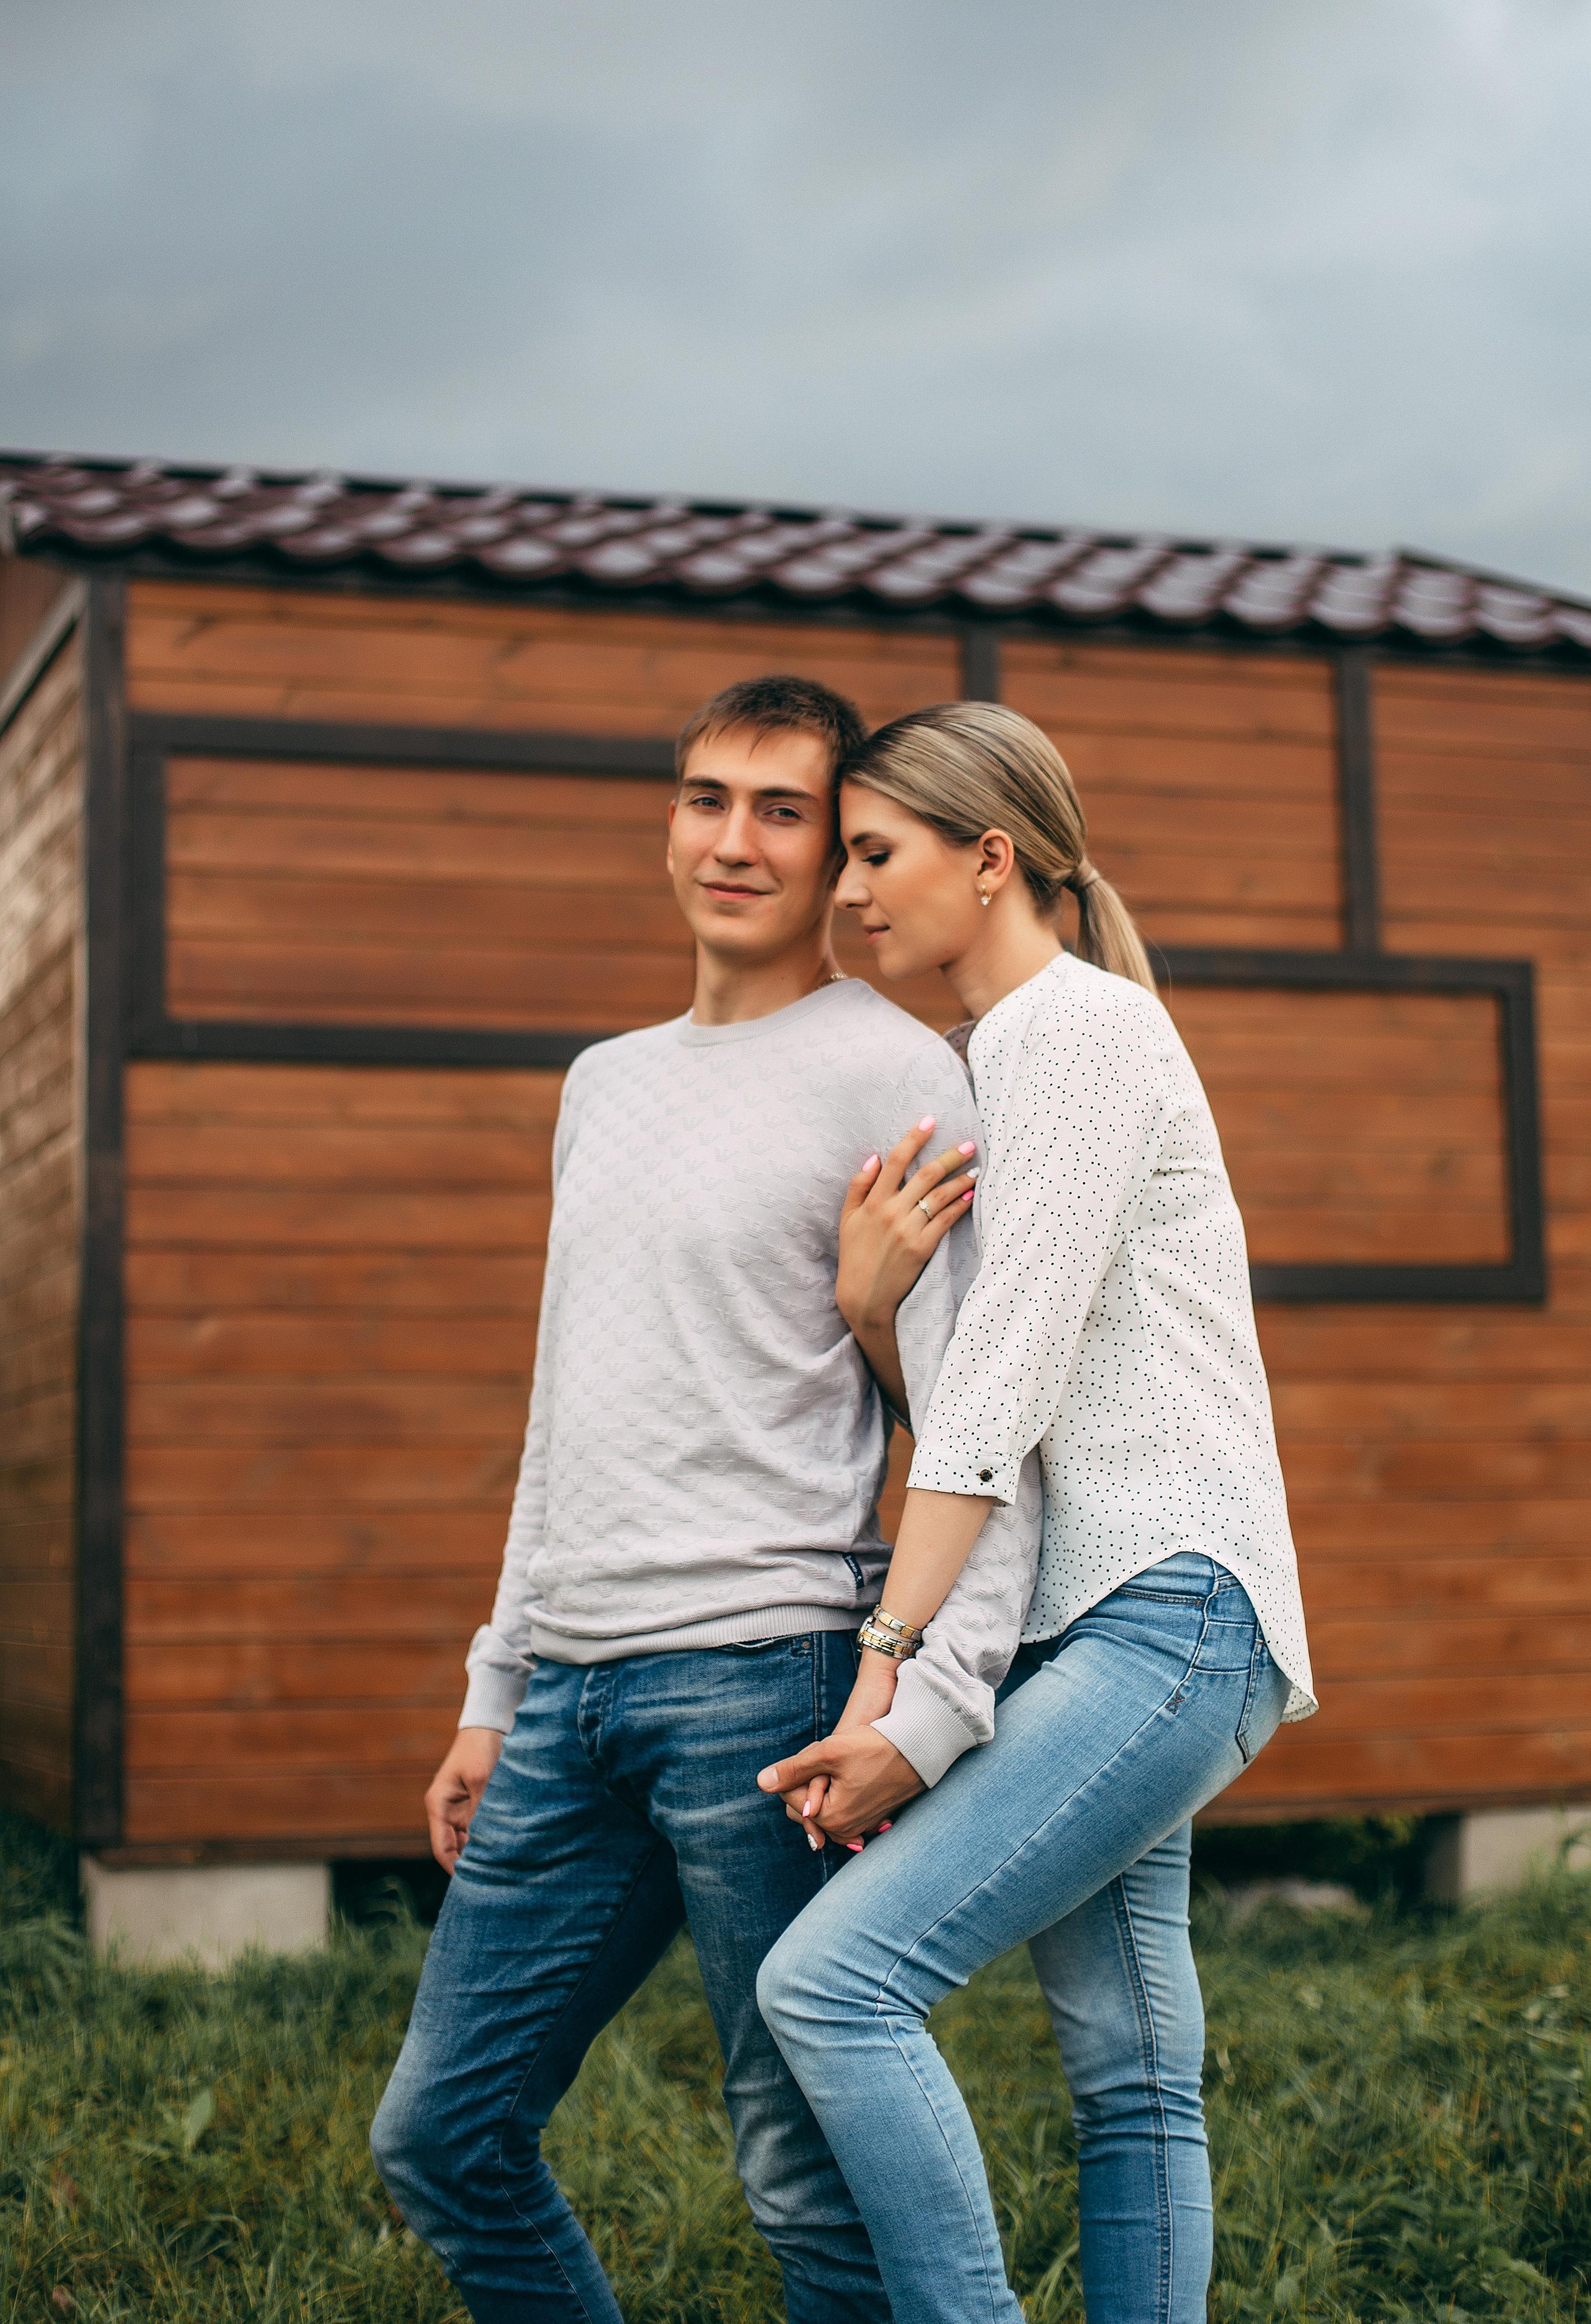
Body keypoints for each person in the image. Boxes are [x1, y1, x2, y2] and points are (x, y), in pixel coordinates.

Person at [369, 676, 1040, 2324]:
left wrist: (936, 1700)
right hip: (569, 1696)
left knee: (802, 2170)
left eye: (781, 810)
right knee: (441, 2131)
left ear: (838, 861)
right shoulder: (604, 1081)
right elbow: (565, 1400)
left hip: (764, 1678)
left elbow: (979, 1423)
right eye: (703, 798)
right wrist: (493, 1684)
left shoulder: (899, 1074)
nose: (731, 839)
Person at [755, 701, 1318, 2324]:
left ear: (988, 856)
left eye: (876, 851)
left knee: (837, 1979)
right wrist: (874, 1309)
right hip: (1099, 1629)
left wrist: (886, 1678)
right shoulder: (986, 1063)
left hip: (1168, 1607)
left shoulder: (1076, 1032)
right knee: (1135, 2070)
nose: (848, 892)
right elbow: (973, 1399)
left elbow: (1000, 1389)